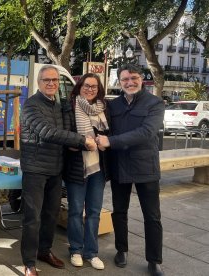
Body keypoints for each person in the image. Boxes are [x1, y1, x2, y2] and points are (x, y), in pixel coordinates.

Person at [20, 65, 97, 276]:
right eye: (47, 80)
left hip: (55, 168)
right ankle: (29, 263)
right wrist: (83, 141)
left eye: (55, 80)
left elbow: (65, 130)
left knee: (51, 215)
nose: (52, 83)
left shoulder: (58, 105)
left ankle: (44, 251)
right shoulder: (31, 106)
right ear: (39, 83)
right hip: (35, 169)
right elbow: (48, 132)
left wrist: (81, 141)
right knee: (32, 218)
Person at [96, 64, 165, 276]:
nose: (129, 82)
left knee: (152, 216)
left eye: (133, 78)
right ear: (119, 81)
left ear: (141, 79)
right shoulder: (113, 105)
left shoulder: (155, 103)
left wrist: (110, 141)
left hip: (145, 166)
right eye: (125, 79)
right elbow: (101, 126)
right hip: (120, 165)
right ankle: (121, 250)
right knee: (120, 211)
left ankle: (154, 260)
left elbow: (146, 132)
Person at [62, 73, 109, 270]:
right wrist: (83, 143)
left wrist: (103, 141)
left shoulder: (103, 108)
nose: (90, 89)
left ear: (99, 89)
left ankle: (91, 252)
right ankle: (75, 249)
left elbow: (109, 134)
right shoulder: (70, 106)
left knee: (94, 211)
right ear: (79, 86)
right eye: (86, 85)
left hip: (98, 167)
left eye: (94, 86)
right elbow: (65, 135)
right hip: (77, 166)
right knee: (75, 210)